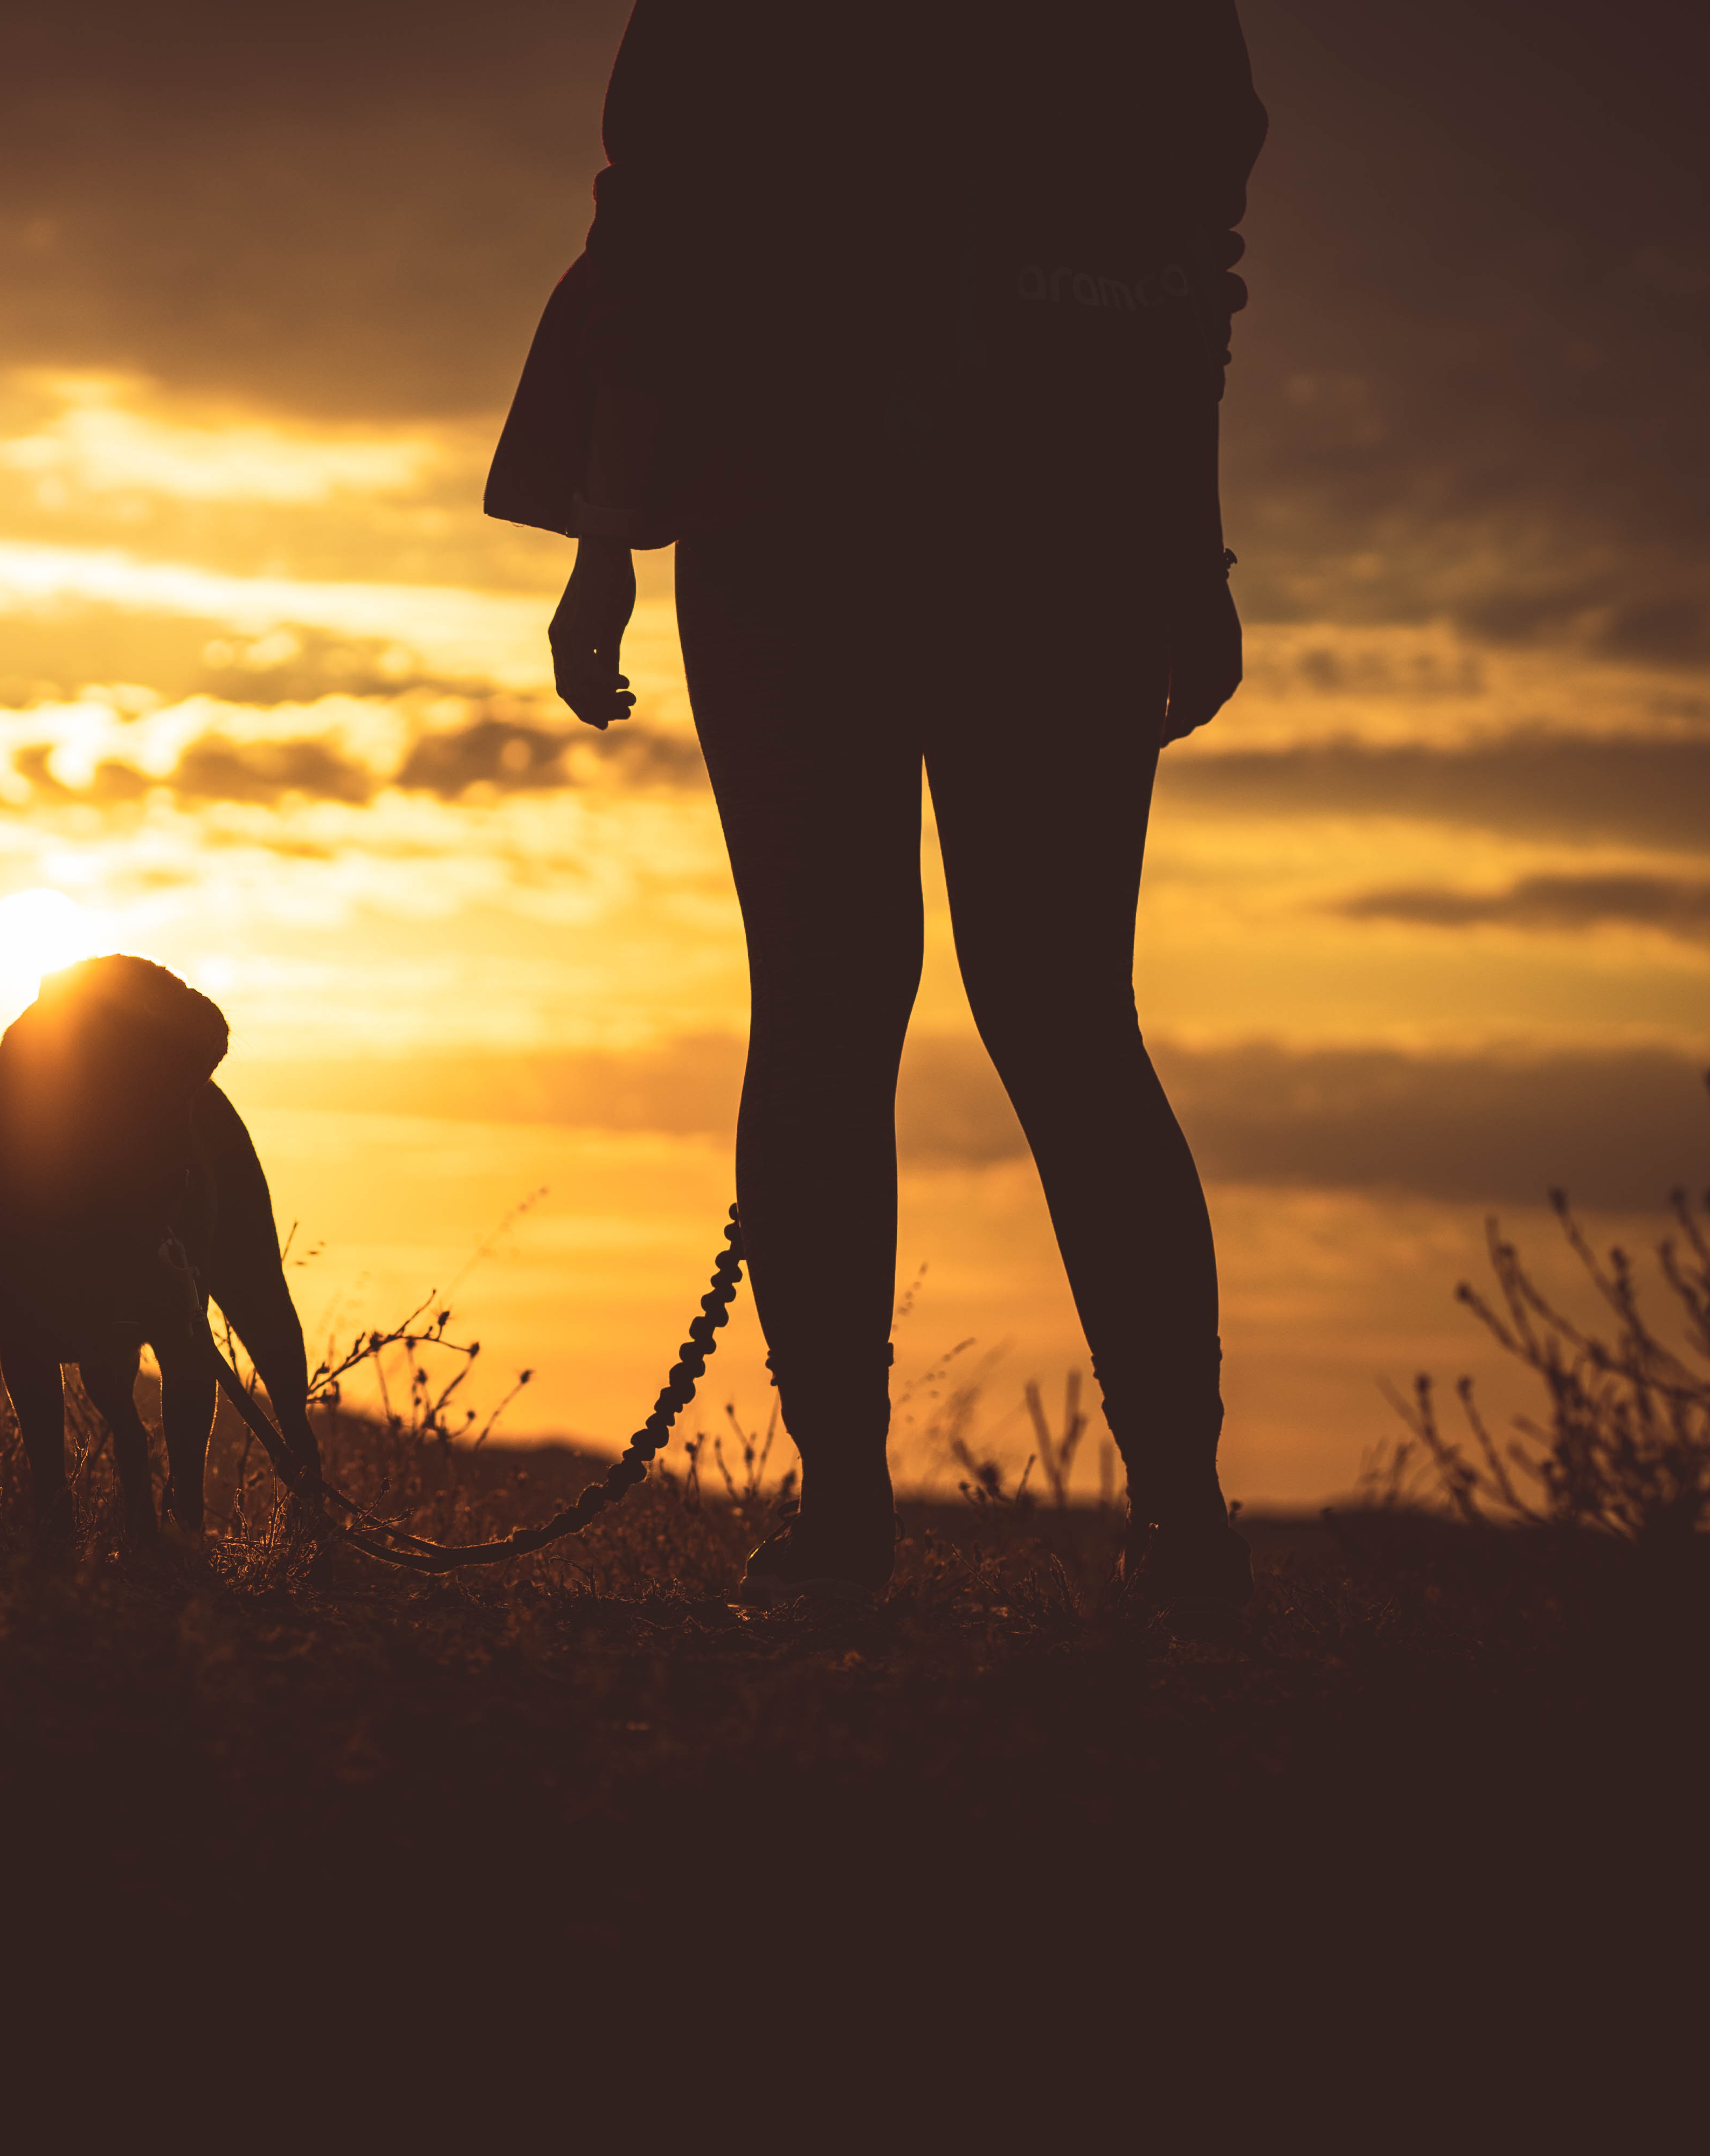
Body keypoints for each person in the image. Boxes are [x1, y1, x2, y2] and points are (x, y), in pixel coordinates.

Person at [486, 1, 1268, 1620]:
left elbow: (653, 236)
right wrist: (1188, 554)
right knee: (1059, 1014)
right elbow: (1189, 268)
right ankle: (1175, 1526)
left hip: (806, 530)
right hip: (1058, 537)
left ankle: (849, 1524)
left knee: (845, 1007)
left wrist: (610, 535)